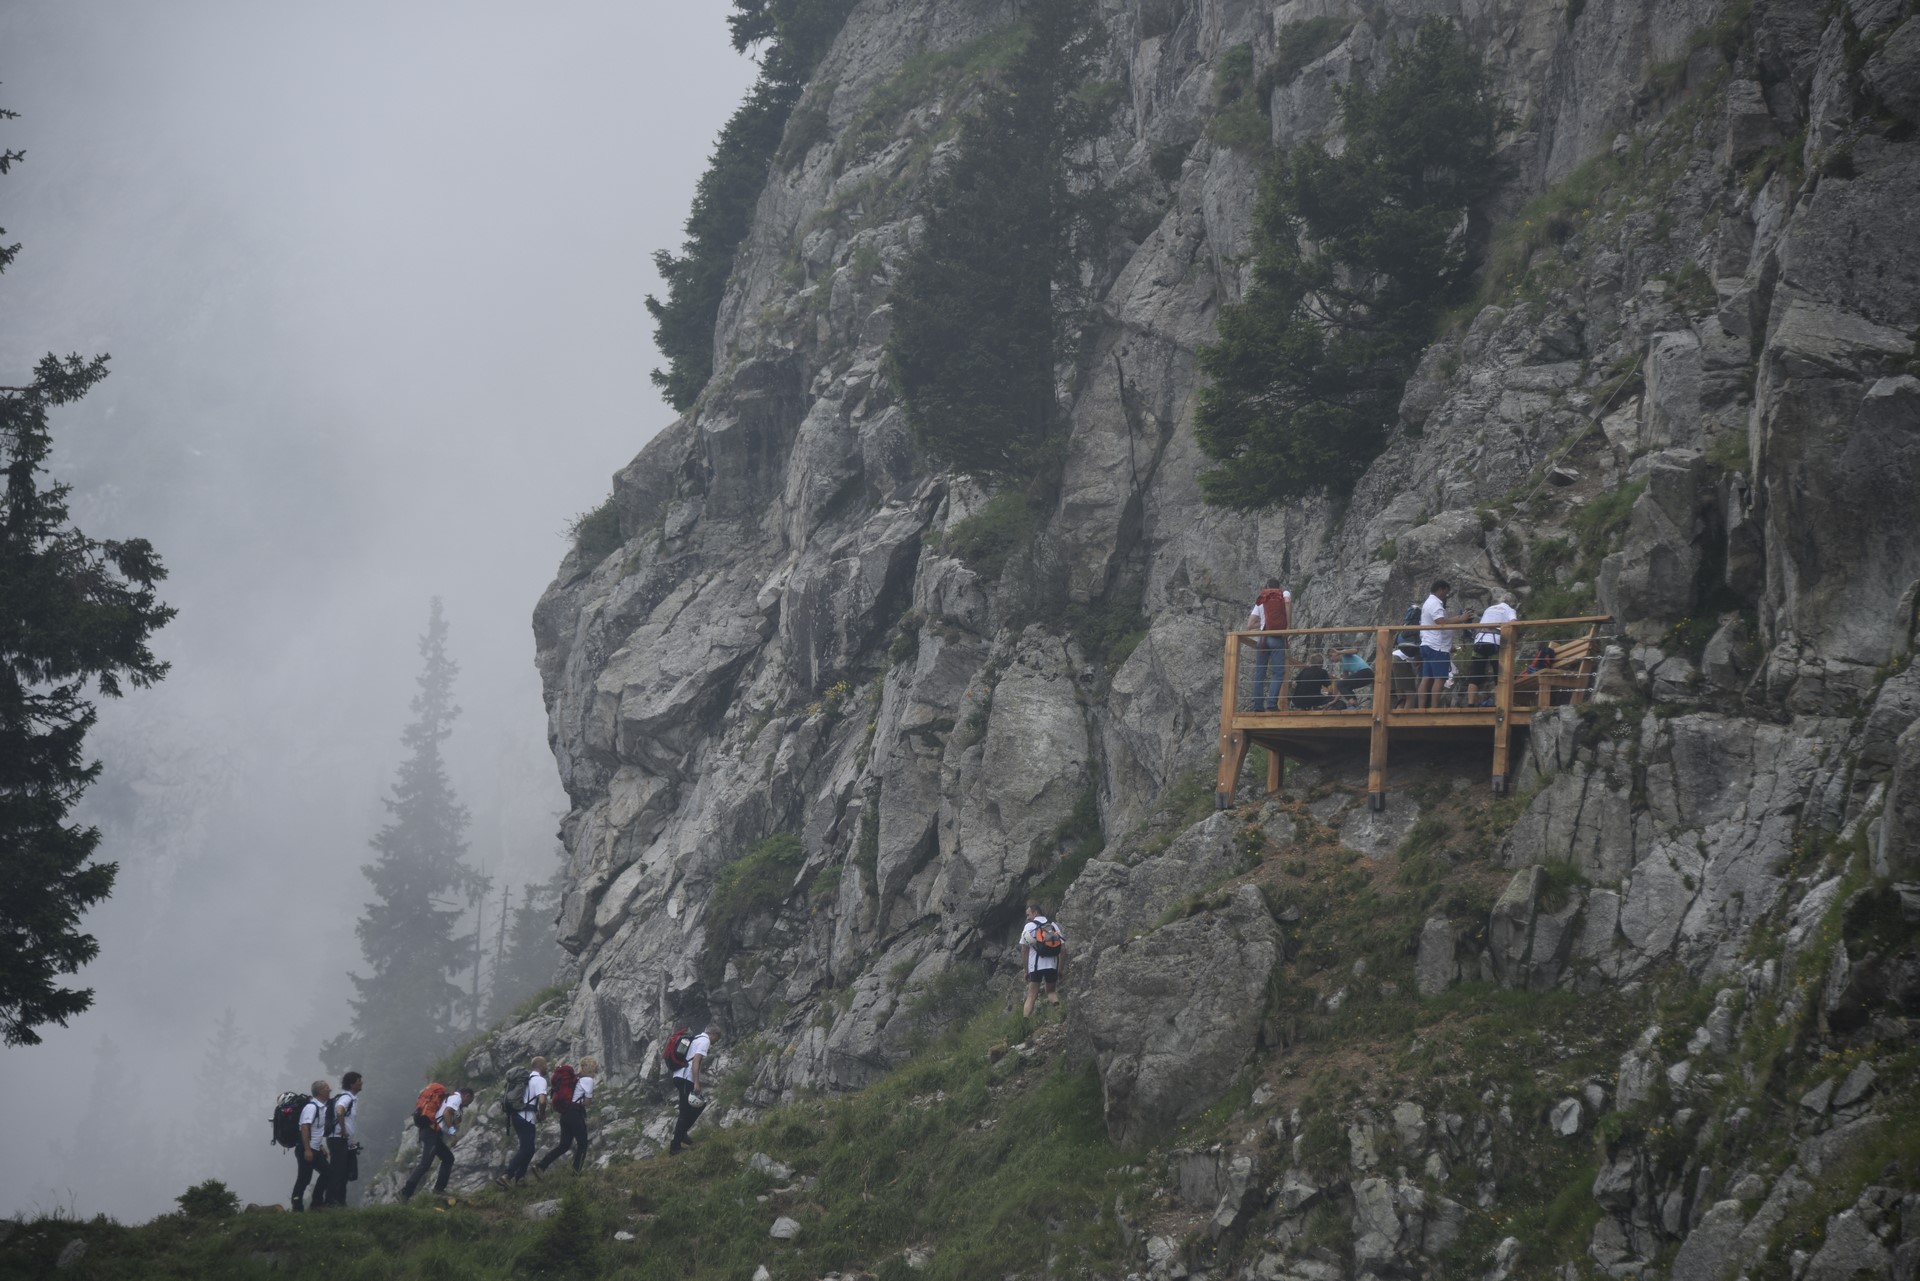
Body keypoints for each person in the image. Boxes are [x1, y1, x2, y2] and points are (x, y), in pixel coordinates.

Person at [400, 1084, 466, 1203]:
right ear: (467, 1095)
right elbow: (446, 1114)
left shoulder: (449, 1098)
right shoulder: (457, 1098)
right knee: (425, 1165)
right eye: (470, 1100)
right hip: (431, 1134)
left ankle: (439, 1190)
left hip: (431, 1133)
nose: (469, 1103)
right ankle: (405, 1193)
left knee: (448, 1158)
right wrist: (453, 1134)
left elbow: (443, 1116)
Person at [1417, 580, 1473, 709]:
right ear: (1440, 590)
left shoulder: (1428, 603)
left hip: (1427, 644)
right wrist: (1460, 619)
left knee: (1426, 678)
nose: (1446, 596)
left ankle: (1421, 709)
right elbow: (1441, 621)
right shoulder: (1435, 603)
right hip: (1437, 646)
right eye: (1445, 593)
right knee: (1440, 679)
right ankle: (1434, 709)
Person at [537, 1056, 598, 1175]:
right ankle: (576, 1174)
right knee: (583, 1144)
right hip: (575, 1114)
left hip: (565, 1115)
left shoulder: (575, 1078)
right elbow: (587, 1102)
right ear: (591, 1068)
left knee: (564, 1145)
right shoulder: (588, 1080)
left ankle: (541, 1166)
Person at [501, 1057, 548, 1184]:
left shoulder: (526, 1079)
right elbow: (542, 1100)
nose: (547, 1067)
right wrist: (541, 1114)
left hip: (517, 1116)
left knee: (528, 1148)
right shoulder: (539, 1080)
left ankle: (520, 1178)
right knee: (527, 1149)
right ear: (541, 1065)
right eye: (546, 1064)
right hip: (526, 1117)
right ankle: (507, 1175)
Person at [1247, 580, 1290, 712]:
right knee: (1278, 673)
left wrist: (1262, 624)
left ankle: (1258, 707)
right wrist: (1289, 625)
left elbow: (1249, 625)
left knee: (1260, 673)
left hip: (1263, 639)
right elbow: (1287, 602)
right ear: (1279, 587)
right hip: (1276, 638)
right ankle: (1271, 705)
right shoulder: (1284, 594)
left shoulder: (1262, 599)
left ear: (1266, 588)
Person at [1466, 595, 1518, 706]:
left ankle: (1470, 704)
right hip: (1494, 643)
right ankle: (1498, 705)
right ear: (1512, 603)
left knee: (1476, 674)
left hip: (1479, 641)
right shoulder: (1509, 609)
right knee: (1498, 676)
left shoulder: (1489, 609)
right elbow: (1513, 623)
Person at [670, 1029, 714, 1156]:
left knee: (696, 1106)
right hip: (686, 1078)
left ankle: (682, 1134)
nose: (715, 1043)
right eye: (717, 1039)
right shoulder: (705, 1041)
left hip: (679, 1076)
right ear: (714, 1034)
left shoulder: (695, 1038)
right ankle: (675, 1147)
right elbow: (696, 1061)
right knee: (685, 1112)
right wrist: (696, 1082)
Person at [1018, 902, 1066, 1017]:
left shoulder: (1029, 926)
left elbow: (1024, 950)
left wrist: (1026, 970)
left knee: (1031, 995)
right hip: (1052, 965)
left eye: (1028, 915)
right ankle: (1060, 1012)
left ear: (1035, 913)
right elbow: (1064, 950)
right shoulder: (1053, 926)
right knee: (1051, 991)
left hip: (1035, 966)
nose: (1027, 918)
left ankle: (1025, 1021)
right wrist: (1060, 969)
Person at [293, 1080, 331, 1211]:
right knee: (304, 1179)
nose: (330, 1089)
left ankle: (317, 1203)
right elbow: (304, 1128)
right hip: (306, 1149)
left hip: (315, 1148)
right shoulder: (311, 1107)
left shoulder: (322, 1107)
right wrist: (307, 1149)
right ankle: (297, 1207)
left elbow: (316, 1131)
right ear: (320, 1091)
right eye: (326, 1088)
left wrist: (320, 1147)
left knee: (328, 1173)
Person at [325, 1071, 362, 1208]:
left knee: (344, 1171)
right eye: (359, 1081)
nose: (361, 1083)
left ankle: (340, 1201)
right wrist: (344, 1130)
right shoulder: (347, 1097)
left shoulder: (351, 1098)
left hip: (342, 1141)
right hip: (338, 1139)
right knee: (338, 1171)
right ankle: (331, 1201)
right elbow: (339, 1110)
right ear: (352, 1084)